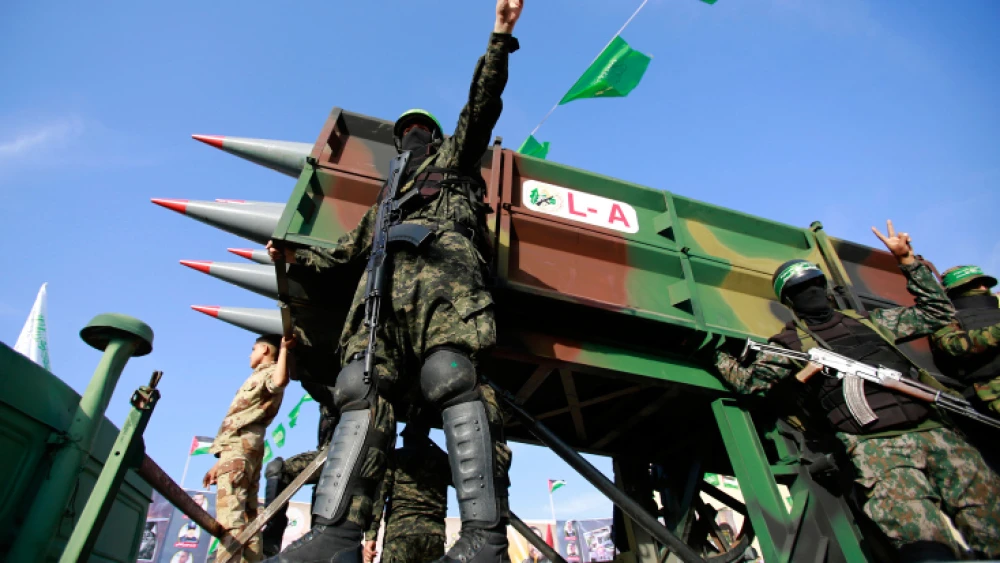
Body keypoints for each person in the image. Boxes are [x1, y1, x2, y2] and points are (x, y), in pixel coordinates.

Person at [265, 2, 523, 562]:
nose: (410, 138)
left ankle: (484, 539)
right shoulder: (383, 203)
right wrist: (292, 256)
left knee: (450, 375)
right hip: (379, 297)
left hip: (442, 283)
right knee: (357, 389)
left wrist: (499, 38)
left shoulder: (452, 161)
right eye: (404, 132)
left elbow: (479, 111)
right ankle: (334, 535)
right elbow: (341, 255)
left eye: (418, 131)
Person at [711, 221, 1000, 561]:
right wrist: (716, 354)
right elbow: (751, 384)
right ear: (790, 301)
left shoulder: (871, 322)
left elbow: (936, 313)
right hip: (877, 448)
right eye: (802, 291)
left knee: (990, 523)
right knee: (922, 543)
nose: (813, 295)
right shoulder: (790, 344)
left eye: (816, 286)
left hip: (937, 431)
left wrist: (907, 261)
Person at [204, 334, 294, 563]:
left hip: (240, 449)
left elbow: (279, 381)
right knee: (249, 519)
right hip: (242, 449)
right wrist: (220, 461)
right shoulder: (259, 375)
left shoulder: (268, 373)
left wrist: (284, 350)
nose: (249, 354)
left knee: (231, 517)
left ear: (264, 349)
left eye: (253, 349)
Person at [931, 265, 1000, 471]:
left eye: (984, 284)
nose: (982, 287)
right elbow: (956, 346)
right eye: (977, 284)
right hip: (991, 393)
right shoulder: (946, 319)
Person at [364, 414, 452, 563]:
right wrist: (437, 451)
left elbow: (379, 497)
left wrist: (371, 537)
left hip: (400, 534)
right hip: (432, 537)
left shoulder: (395, 458)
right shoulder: (441, 461)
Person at [263, 405, 340, 557]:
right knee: (276, 470)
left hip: (341, 455)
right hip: (325, 455)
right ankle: (272, 536)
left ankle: (272, 538)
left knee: (279, 469)